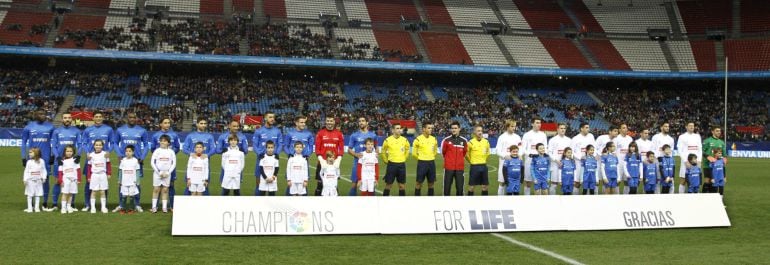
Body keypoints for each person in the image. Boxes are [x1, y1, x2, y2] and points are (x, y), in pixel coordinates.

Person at [115, 112, 150, 212]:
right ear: (127, 118)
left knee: (137, 183)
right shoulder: (120, 130)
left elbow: (146, 145)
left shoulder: (142, 130)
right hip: (124, 161)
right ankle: (121, 204)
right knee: (122, 182)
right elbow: (115, 143)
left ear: (136, 118)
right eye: (130, 117)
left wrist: (142, 157)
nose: (132, 119)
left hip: (137, 161)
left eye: (134, 117)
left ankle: (137, 204)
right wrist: (119, 154)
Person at [22, 110, 55, 210]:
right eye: (40, 114)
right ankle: (31, 202)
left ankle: (44, 202)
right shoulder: (28, 127)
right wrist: (23, 156)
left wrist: (52, 155)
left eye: (44, 114)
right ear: (35, 115)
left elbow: (53, 142)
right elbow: (23, 142)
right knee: (30, 179)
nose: (43, 115)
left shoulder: (51, 127)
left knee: (45, 179)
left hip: (46, 158)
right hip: (31, 159)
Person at [82, 111, 114, 212]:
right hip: (91, 159)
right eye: (96, 116)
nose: (98, 118)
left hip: (103, 159)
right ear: (93, 118)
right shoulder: (88, 130)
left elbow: (112, 142)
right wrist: (87, 152)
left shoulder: (108, 129)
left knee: (104, 185)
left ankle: (103, 205)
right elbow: (83, 143)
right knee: (88, 183)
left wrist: (108, 151)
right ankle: (88, 204)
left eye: (100, 117)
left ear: (103, 118)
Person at [51, 113, 81, 212]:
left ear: (71, 119)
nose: (67, 119)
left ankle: (71, 204)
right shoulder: (57, 131)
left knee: (73, 181)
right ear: (62, 119)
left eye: (69, 118)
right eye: (65, 118)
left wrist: (78, 155)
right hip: (59, 161)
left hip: (72, 162)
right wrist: (57, 157)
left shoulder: (76, 131)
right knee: (58, 182)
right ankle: (55, 204)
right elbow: (54, 145)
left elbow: (80, 144)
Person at [150, 118, 180, 211]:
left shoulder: (174, 135)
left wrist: (169, 154)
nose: (167, 124)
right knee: (157, 187)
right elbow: (152, 148)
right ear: (160, 124)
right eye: (165, 123)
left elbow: (177, 148)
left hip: (169, 166)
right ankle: (155, 206)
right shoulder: (155, 135)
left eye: (168, 123)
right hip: (159, 166)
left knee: (170, 185)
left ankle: (171, 206)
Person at [183, 117, 216, 195]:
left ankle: (204, 206)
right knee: (189, 185)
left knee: (205, 185)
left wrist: (207, 155)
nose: (203, 125)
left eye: (205, 124)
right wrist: (190, 153)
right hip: (192, 165)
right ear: (197, 124)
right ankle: (186, 205)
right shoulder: (190, 136)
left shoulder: (209, 136)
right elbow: (184, 148)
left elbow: (213, 149)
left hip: (204, 165)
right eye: (201, 123)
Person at [283, 115, 314, 196]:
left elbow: (311, 147)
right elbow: (285, 146)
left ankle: (303, 204)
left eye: (304, 122)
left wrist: (307, 155)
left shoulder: (309, 134)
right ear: (296, 123)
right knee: (290, 183)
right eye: (301, 122)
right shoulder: (290, 134)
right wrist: (289, 154)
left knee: (304, 181)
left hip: (304, 160)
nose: (303, 124)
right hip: (292, 161)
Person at [253, 112, 282, 196]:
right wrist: (259, 153)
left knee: (272, 185)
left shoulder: (277, 131)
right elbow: (255, 144)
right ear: (265, 118)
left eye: (273, 117)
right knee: (259, 185)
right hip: (261, 160)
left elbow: (280, 144)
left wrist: (277, 153)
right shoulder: (259, 131)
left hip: (273, 161)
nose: (272, 119)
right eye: (270, 117)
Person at [314, 117, 344, 196]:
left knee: (334, 185)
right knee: (320, 185)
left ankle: (334, 206)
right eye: (328, 121)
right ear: (325, 122)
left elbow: (341, 149)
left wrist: (338, 161)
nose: (329, 122)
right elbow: (317, 149)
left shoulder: (339, 134)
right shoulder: (320, 133)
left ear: (334, 122)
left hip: (334, 164)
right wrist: (321, 160)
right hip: (322, 163)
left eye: (331, 121)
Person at [347, 116, 377, 196]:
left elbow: (377, 149)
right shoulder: (354, 135)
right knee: (354, 184)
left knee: (371, 184)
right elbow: (349, 150)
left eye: (363, 121)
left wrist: (375, 155)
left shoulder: (373, 135)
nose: (361, 122)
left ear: (367, 123)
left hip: (369, 164)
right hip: (358, 163)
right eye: (359, 121)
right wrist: (356, 154)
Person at [218, 121, 249, 193]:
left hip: (237, 167)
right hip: (227, 167)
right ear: (229, 126)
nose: (236, 128)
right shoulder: (222, 136)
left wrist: (243, 150)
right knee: (225, 189)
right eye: (234, 126)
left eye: (237, 126)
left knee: (237, 190)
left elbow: (246, 151)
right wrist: (223, 150)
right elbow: (218, 150)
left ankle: (237, 204)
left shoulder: (242, 136)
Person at [381, 123, 410, 196]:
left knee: (402, 186)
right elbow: (383, 151)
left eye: (400, 128)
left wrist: (404, 158)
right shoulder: (387, 140)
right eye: (397, 128)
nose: (399, 130)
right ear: (393, 130)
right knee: (388, 185)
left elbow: (407, 149)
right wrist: (385, 160)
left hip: (401, 165)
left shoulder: (405, 140)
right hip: (391, 165)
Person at [495, 120, 522, 196]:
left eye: (515, 126)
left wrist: (520, 154)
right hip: (504, 164)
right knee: (502, 183)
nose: (514, 128)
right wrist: (505, 156)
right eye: (512, 126)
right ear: (507, 127)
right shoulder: (502, 137)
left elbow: (521, 148)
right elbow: (497, 150)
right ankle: (500, 201)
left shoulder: (517, 137)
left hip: (515, 165)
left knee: (514, 183)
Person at [522, 117, 548, 196]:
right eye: (537, 123)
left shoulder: (543, 135)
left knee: (540, 182)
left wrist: (543, 156)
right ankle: (527, 200)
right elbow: (523, 148)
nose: (539, 124)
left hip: (541, 162)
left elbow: (545, 148)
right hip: (529, 161)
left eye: (539, 123)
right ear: (532, 124)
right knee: (528, 182)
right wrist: (530, 154)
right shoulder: (527, 135)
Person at [441, 121, 468, 196]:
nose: (454, 130)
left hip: (460, 169)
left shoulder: (464, 141)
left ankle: (458, 206)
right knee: (447, 189)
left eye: (455, 128)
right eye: (452, 128)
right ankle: (446, 207)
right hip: (449, 168)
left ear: (459, 129)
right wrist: (449, 161)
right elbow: (443, 153)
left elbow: (464, 153)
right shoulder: (446, 140)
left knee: (460, 190)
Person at [150, 135, 176, 213]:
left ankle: (164, 207)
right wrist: (159, 172)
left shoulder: (171, 152)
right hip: (157, 174)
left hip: (167, 174)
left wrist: (168, 172)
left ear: (168, 142)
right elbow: (152, 162)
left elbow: (173, 163)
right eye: (161, 140)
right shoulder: (157, 151)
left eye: (164, 141)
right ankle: (154, 207)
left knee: (165, 190)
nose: (162, 142)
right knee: (156, 189)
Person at [413, 122, 438, 196]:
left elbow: (435, 151)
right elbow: (414, 153)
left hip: (431, 163)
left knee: (431, 183)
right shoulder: (418, 139)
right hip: (422, 163)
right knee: (419, 183)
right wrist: (421, 158)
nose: (431, 129)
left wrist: (431, 157)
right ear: (424, 129)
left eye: (431, 128)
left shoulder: (434, 139)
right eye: (429, 128)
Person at [677, 122, 702, 194]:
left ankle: (695, 195)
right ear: (686, 127)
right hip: (686, 162)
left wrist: (699, 160)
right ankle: (681, 196)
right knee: (683, 180)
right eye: (690, 126)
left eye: (693, 126)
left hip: (696, 162)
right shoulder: (682, 136)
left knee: (696, 179)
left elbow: (700, 149)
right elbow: (679, 150)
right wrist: (685, 161)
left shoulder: (697, 136)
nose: (692, 127)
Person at [87, 140, 111, 213]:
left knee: (102, 191)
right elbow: (89, 166)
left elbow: (108, 164)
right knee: (93, 191)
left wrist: (109, 173)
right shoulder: (91, 155)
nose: (98, 146)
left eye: (100, 145)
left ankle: (103, 207)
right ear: (94, 146)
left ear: (102, 146)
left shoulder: (105, 154)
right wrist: (88, 176)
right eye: (96, 145)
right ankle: (93, 208)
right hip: (94, 175)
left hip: (103, 175)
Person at [570, 123, 595, 195]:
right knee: (577, 182)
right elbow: (571, 151)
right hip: (579, 163)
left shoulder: (591, 136)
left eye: (588, 127)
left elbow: (594, 147)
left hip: (589, 163)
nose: (588, 129)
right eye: (586, 127)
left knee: (589, 181)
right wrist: (580, 157)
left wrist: (593, 157)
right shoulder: (575, 138)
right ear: (581, 128)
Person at [466, 125, 490, 196]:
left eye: (481, 131)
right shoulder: (470, 142)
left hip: (484, 166)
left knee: (485, 186)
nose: (480, 132)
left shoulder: (486, 142)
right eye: (478, 131)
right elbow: (466, 154)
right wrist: (471, 161)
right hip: (474, 167)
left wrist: (483, 160)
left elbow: (488, 153)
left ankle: (484, 205)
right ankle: (470, 205)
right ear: (474, 132)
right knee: (472, 187)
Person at [548, 123, 571, 195]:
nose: (563, 130)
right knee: (554, 184)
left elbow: (571, 152)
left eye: (564, 128)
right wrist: (556, 160)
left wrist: (567, 161)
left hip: (566, 166)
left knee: (566, 183)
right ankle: (552, 200)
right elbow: (549, 152)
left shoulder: (569, 140)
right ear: (557, 129)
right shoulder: (552, 140)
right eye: (561, 128)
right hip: (555, 164)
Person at [651, 122, 674, 193]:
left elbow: (671, 151)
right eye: (665, 126)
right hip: (658, 160)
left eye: (668, 126)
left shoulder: (671, 139)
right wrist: (656, 158)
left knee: (669, 179)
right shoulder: (656, 137)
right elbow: (653, 149)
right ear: (661, 127)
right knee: (658, 179)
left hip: (667, 162)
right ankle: (657, 196)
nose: (667, 128)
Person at [58, 145, 81, 214]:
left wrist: (79, 179)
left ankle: (69, 206)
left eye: (71, 151)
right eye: (67, 151)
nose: (69, 153)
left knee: (71, 194)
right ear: (64, 152)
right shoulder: (61, 161)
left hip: (73, 180)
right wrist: (60, 180)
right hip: (66, 180)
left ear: (73, 152)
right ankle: (63, 208)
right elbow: (60, 172)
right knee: (65, 194)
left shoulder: (75, 160)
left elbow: (78, 170)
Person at [118, 145, 141, 214]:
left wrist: (138, 180)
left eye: (130, 151)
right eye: (126, 151)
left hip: (132, 182)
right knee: (124, 196)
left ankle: (131, 209)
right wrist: (119, 180)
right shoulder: (123, 161)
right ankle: (123, 209)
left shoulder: (135, 161)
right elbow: (120, 171)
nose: (128, 152)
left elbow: (137, 171)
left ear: (133, 152)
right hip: (124, 181)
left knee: (131, 196)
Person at [702, 126, 726, 193]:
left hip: (718, 166)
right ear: (712, 131)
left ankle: (713, 198)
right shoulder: (707, 141)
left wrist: (724, 160)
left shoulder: (722, 142)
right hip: (707, 165)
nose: (719, 132)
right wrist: (708, 157)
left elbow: (724, 155)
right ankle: (703, 197)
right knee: (707, 181)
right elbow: (701, 151)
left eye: (719, 131)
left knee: (716, 181)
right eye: (717, 131)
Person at [23, 147, 46, 213]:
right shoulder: (29, 162)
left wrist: (44, 177)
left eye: (31, 152)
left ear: (36, 153)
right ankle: (30, 208)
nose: (29, 154)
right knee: (29, 195)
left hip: (38, 181)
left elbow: (44, 170)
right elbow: (26, 171)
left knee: (37, 195)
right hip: (30, 181)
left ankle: (37, 208)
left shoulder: (41, 161)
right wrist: (25, 179)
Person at [613, 124, 633, 194]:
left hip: (627, 163)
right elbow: (613, 151)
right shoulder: (616, 139)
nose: (626, 129)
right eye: (623, 128)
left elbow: (632, 150)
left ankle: (626, 196)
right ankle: (617, 197)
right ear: (620, 130)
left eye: (626, 128)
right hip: (619, 163)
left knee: (627, 181)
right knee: (618, 181)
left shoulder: (630, 139)